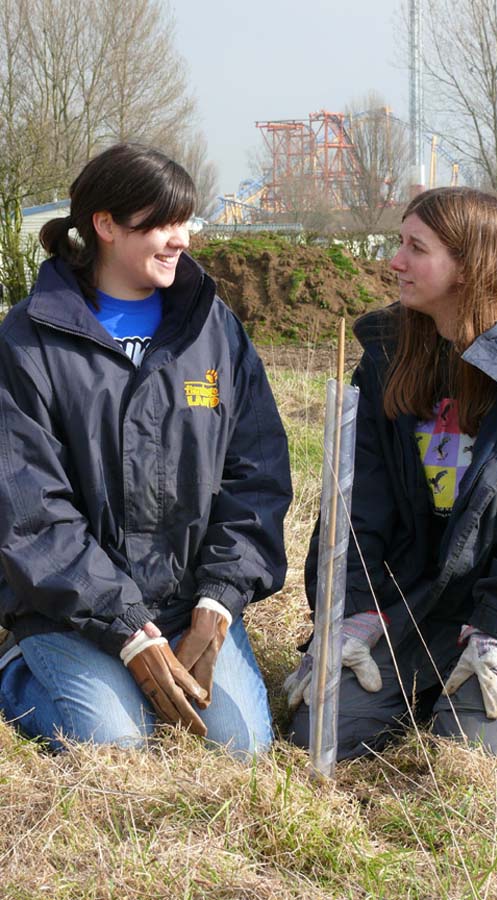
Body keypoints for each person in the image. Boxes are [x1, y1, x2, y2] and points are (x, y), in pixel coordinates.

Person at [286, 186, 497, 761]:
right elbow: (361, 506)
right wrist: (354, 614)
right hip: (412, 603)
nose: (394, 261)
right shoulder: (389, 353)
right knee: (323, 734)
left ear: (468, 265)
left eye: (415, 247)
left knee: (472, 751)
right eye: (399, 242)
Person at [0, 143, 292, 755]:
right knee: (117, 739)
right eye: (160, 223)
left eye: (184, 220)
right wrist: (127, 628)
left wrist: (219, 599)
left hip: (188, 602)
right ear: (104, 225)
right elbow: (28, 510)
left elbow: (256, 476)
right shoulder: (28, 341)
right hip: (72, 609)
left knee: (239, 747)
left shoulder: (214, 329)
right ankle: (19, 670)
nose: (180, 238)